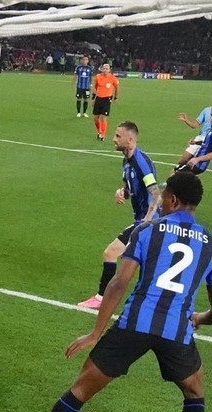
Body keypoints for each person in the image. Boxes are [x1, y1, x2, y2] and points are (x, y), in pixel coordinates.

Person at [18, 171, 212, 412]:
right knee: (194, 391)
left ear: (171, 200)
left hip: (133, 325)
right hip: (175, 333)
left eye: (163, 198)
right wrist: (198, 318)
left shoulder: (148, 231)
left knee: (82, 388)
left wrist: (95, 332)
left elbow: (118, 283)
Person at [77, 121, 161, 309]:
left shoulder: (141, 163)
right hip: (146, 222)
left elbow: (156, 195)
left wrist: (146, 222)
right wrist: (122, 191)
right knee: (145, 267)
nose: (113, 140)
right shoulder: (127, 160)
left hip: (150, 222)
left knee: (111, 252)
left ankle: (101, 298)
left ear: (130, 139)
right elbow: (130, 186)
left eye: (117, 136)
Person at [173, 106, 212, 175]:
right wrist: (195, 142)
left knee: (176, 175)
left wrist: (197, 159)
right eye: (211, 115)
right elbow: (207, 143)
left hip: (198, 165)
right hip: (196, 160)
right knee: (177, 170)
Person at [91, 63, 119, 141]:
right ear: (102, 69)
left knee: (103, 117)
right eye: (104, 68)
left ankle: (103, 135)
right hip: (98, 98)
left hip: (107, 99)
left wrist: (116, 97)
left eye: (107, 69)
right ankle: (99, 131)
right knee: (96, 118)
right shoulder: (98, 77)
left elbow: (117, 87)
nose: (105, 70)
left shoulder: (112, 78)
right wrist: (93, 98)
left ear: (109, 70)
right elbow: (95, 87)